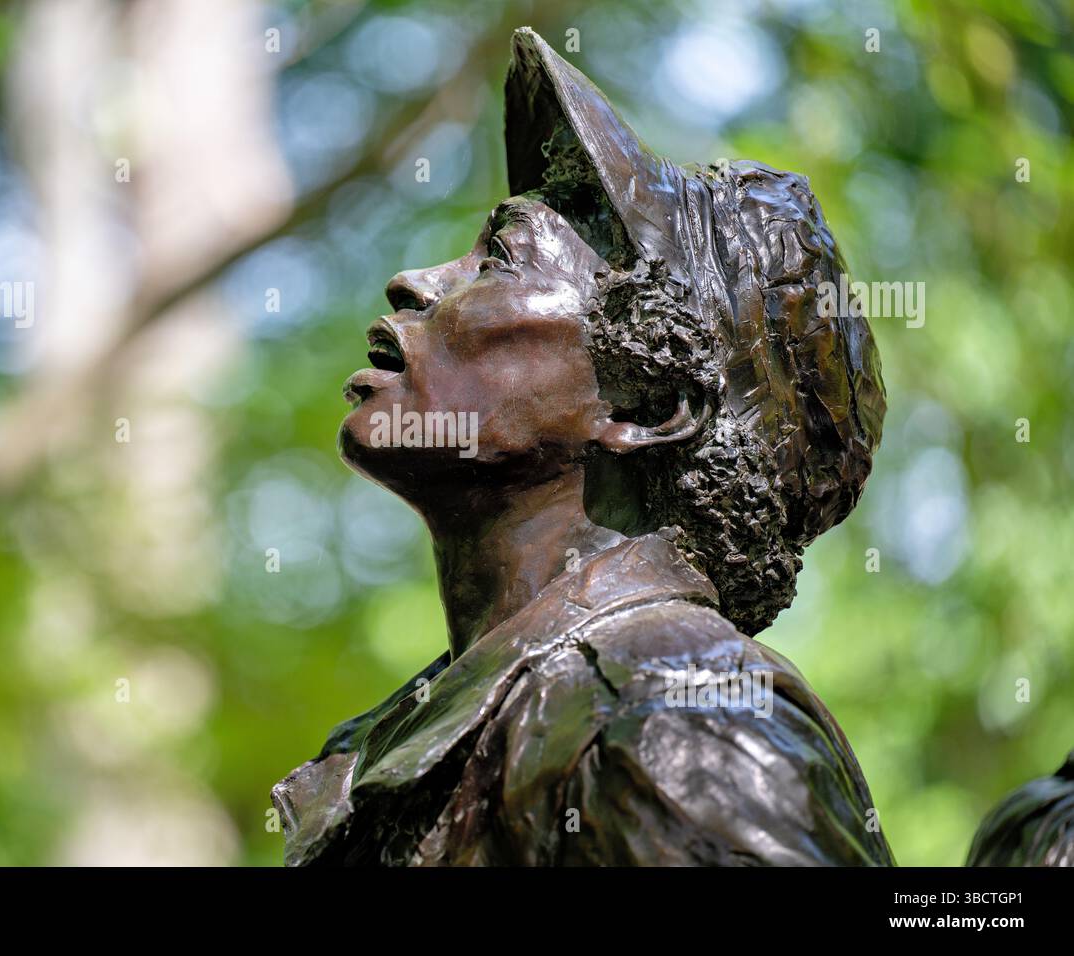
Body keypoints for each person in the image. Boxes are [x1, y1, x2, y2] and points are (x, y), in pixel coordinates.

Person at [272, 28, 890, 866]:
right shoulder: (416, 737)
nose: (415, 282)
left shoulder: (676, 718)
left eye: (498, 259)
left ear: (647, 405)